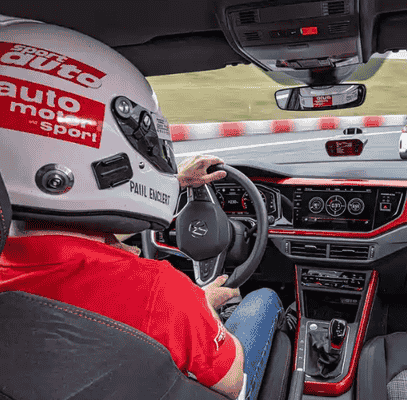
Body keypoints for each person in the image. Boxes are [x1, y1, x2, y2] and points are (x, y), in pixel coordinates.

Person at [0, 17, 283, 400]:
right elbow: (234, 385)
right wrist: (201, 310)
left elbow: (78, 226)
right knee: (264, 300)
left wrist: (175, 183)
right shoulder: (160, 292)